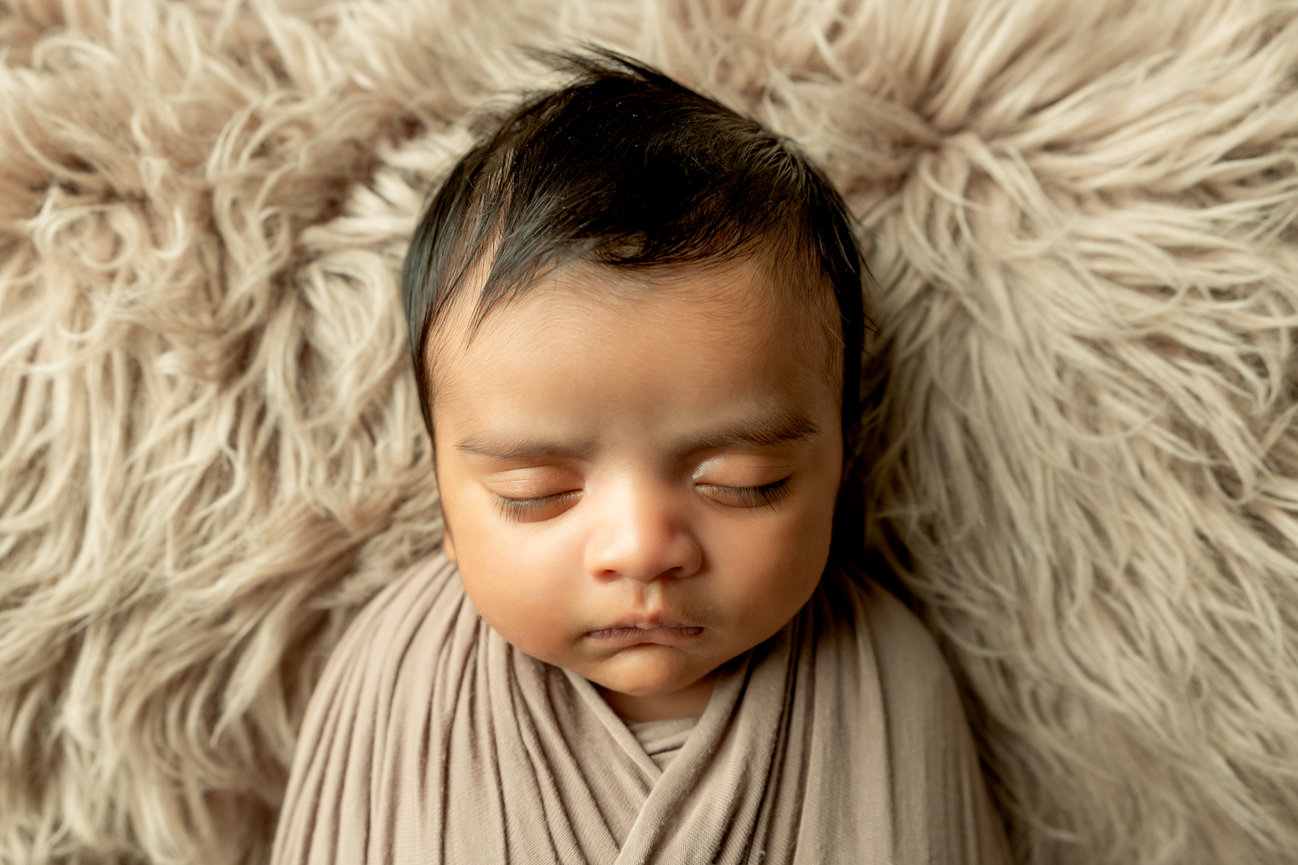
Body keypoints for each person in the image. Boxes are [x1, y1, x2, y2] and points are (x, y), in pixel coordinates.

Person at [272, 50, 1012, 864]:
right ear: (445, 496)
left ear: (841, 462)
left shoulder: (888, 680)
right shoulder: (396, 676)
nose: (642, 548)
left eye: (743, 483)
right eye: (535, 491)